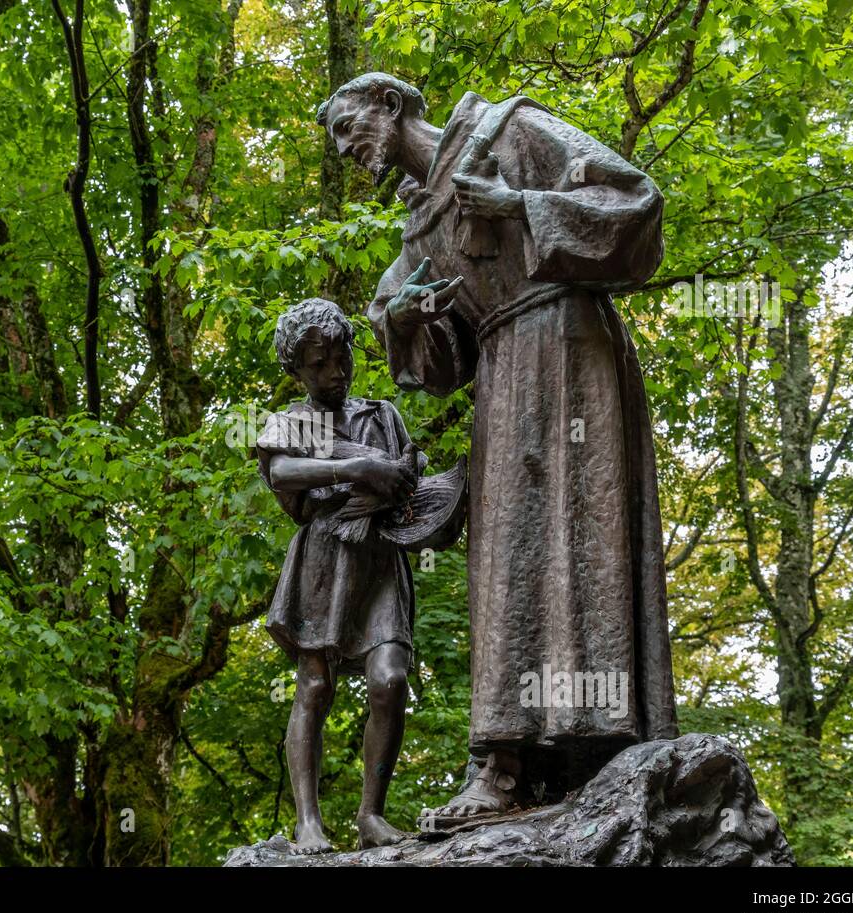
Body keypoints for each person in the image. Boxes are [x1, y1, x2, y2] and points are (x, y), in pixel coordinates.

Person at [318, 73, 679, 822]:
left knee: (582, 535)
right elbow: (437, 367)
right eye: (337, 140)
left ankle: (600, 743)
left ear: (390, 106)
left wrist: (522, 205)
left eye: (351, 126)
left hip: (573, 354)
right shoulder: (419, 230)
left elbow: (634, 202)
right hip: (504, 378)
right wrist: (409, 323)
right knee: (509, 558)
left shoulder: (509, 132)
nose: (347, 147)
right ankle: (507, 763)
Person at [256, 297, 420, 852]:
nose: (334, 371)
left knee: (390, 678)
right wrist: (359, 466)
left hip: (379, 557)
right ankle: (308, 821)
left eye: (340, 356)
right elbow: (283, 471)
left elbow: (408, 492)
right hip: (322, 562)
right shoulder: (291, 422)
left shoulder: (382, 416)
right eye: (317, 363)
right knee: (316, 685)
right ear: (296, 369)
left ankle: (371, 815)